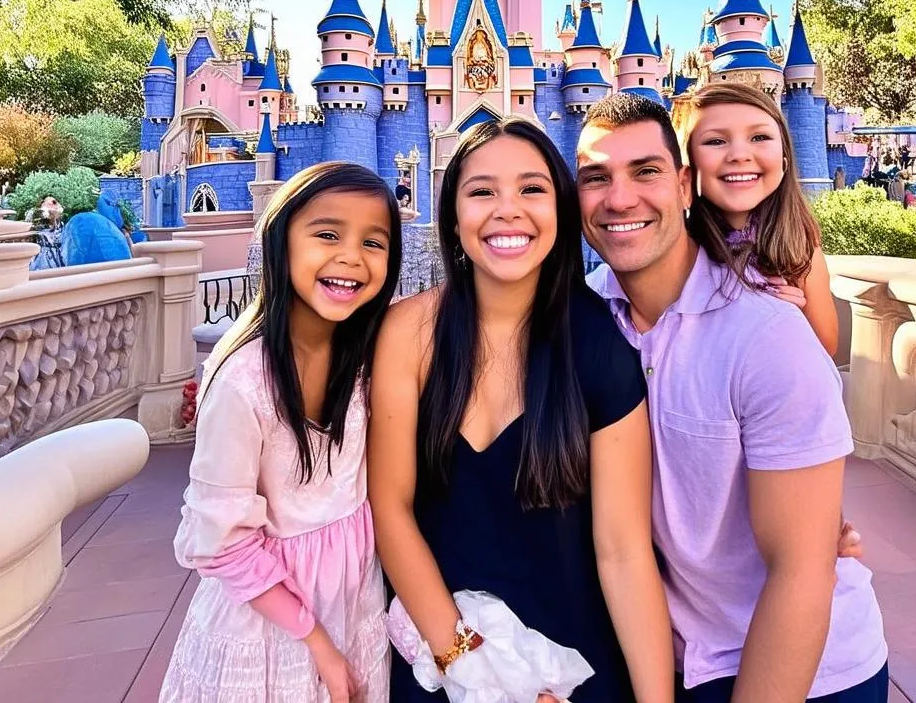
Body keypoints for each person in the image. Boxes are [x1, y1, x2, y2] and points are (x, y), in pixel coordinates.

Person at [577, 94, 888, 703]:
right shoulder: (582, 316)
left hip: (802, 670)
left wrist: (815, 515)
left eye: (646, 171)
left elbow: (801, 572)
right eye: (596, 177)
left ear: (685, 186)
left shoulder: (767, 333)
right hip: (664, 657)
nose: (619, 198)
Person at [369, 117, 675, 702]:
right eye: (482, 191)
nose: (507, 209)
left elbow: (624, 551)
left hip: (569, 672)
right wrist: (476, 671)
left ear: (560, 213)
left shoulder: (599, 349)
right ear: (453, 216)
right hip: (445, 658)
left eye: (532, 189)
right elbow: (391, 509)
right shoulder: (408, 333)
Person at [160, 162, 402, 702]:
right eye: (326, 234)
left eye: (374, 241)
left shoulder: (363, 358)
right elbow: (221, 543)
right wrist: (315, 639)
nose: (351, 257)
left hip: (353, 605)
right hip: (272, 628)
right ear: (280, 240)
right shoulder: (245, 382)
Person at [673, 84, 839, 357]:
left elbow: (825, 348)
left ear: (784, 160)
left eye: (760, 137)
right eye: (716, 141)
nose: (740, 154)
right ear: (686, 167)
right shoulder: (677, 250)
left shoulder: (798, 247)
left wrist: (788, 320)